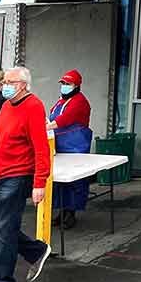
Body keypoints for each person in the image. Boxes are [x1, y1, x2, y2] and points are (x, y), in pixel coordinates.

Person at [0, 66, 51, 282]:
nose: (5, 85)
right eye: (4, 81)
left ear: (23, 85)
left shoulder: (33, 106)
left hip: (17, 176)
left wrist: (40, 183)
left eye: (10, 82)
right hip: (0, 173)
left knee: (5, 231)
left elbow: (41, 148)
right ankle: (36, 250)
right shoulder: (7, 106)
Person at [48, 69, 93, 230]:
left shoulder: (79, 101)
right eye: (63, 83)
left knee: (75, 180)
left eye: (68, 84)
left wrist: (46, 127)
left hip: (76, 145)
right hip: (61, 144)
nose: (64, 86)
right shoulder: (61, 101)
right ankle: (61, 211)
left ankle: (71, 213)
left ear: (76, 85)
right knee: (60, 181)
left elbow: (64, 119)